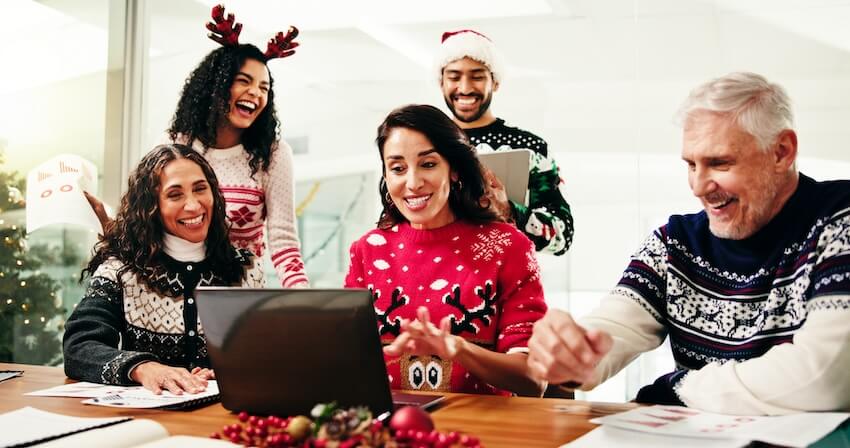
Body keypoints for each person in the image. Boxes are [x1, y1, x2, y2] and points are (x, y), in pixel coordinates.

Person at [526, 72, 850, 415]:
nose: (698, 186)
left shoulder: (840, 218)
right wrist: (573, 353)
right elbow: (614, 328)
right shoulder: (674, 243)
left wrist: (678, 387)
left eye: (719, 163)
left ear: (781, 153)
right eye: (691, 164)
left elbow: (826, 377)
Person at [87, 5, 308, 287]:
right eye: (244, 81)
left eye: (264, 88)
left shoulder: (273, 155)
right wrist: (112, 227)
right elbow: (145, 220)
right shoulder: (175, 143)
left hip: (239, 294)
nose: (255, 92)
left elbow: (284, 239)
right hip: (172, 290)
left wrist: (305, 303)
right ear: (216, 86)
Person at [345, 104, 548, 397]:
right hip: (391, 433)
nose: (412, 183)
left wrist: (458, 349)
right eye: (398, 168)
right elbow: (346, 362)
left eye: (428, 164)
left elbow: (534, 379)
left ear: (453, 169)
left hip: (483, 434)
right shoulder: (366, 250)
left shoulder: (509, 247)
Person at [64, 144, 264, 394]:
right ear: (152, 206)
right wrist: (144, 368)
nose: (193, 206)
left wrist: (231, 370)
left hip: (224, 415)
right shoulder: (120, 270)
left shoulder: (247, 268)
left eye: (200, 189)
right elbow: (79, 346)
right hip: (148, 420)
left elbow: (263, 354)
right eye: (175, 194)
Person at [435, 29, 574, 255]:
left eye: (477, 76)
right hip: (438, 279)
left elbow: (563, 235)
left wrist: (510, 211)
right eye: (454, 76)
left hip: (506, 280)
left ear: (495, 82)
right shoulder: (424, 143)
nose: (465, 87)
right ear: (442, 82)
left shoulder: (529, 146)